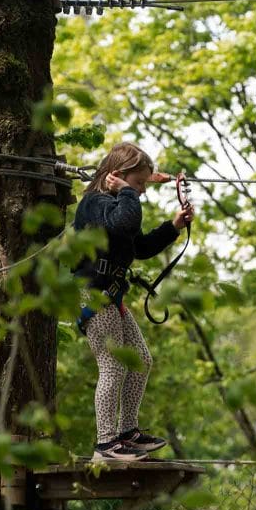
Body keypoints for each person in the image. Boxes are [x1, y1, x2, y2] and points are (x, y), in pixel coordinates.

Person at [73, 142, 194, 461]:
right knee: (112, 365)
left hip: (110, 295)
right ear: (116, 176)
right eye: (138, 183)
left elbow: (138, 247)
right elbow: (124, 223)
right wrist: (127, 192)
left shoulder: (117, 208)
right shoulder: (94, 203)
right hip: (92, 293)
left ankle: (127, 431)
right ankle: (105, 443)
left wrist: (173, 227)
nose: (141, 190)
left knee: (141, 360)